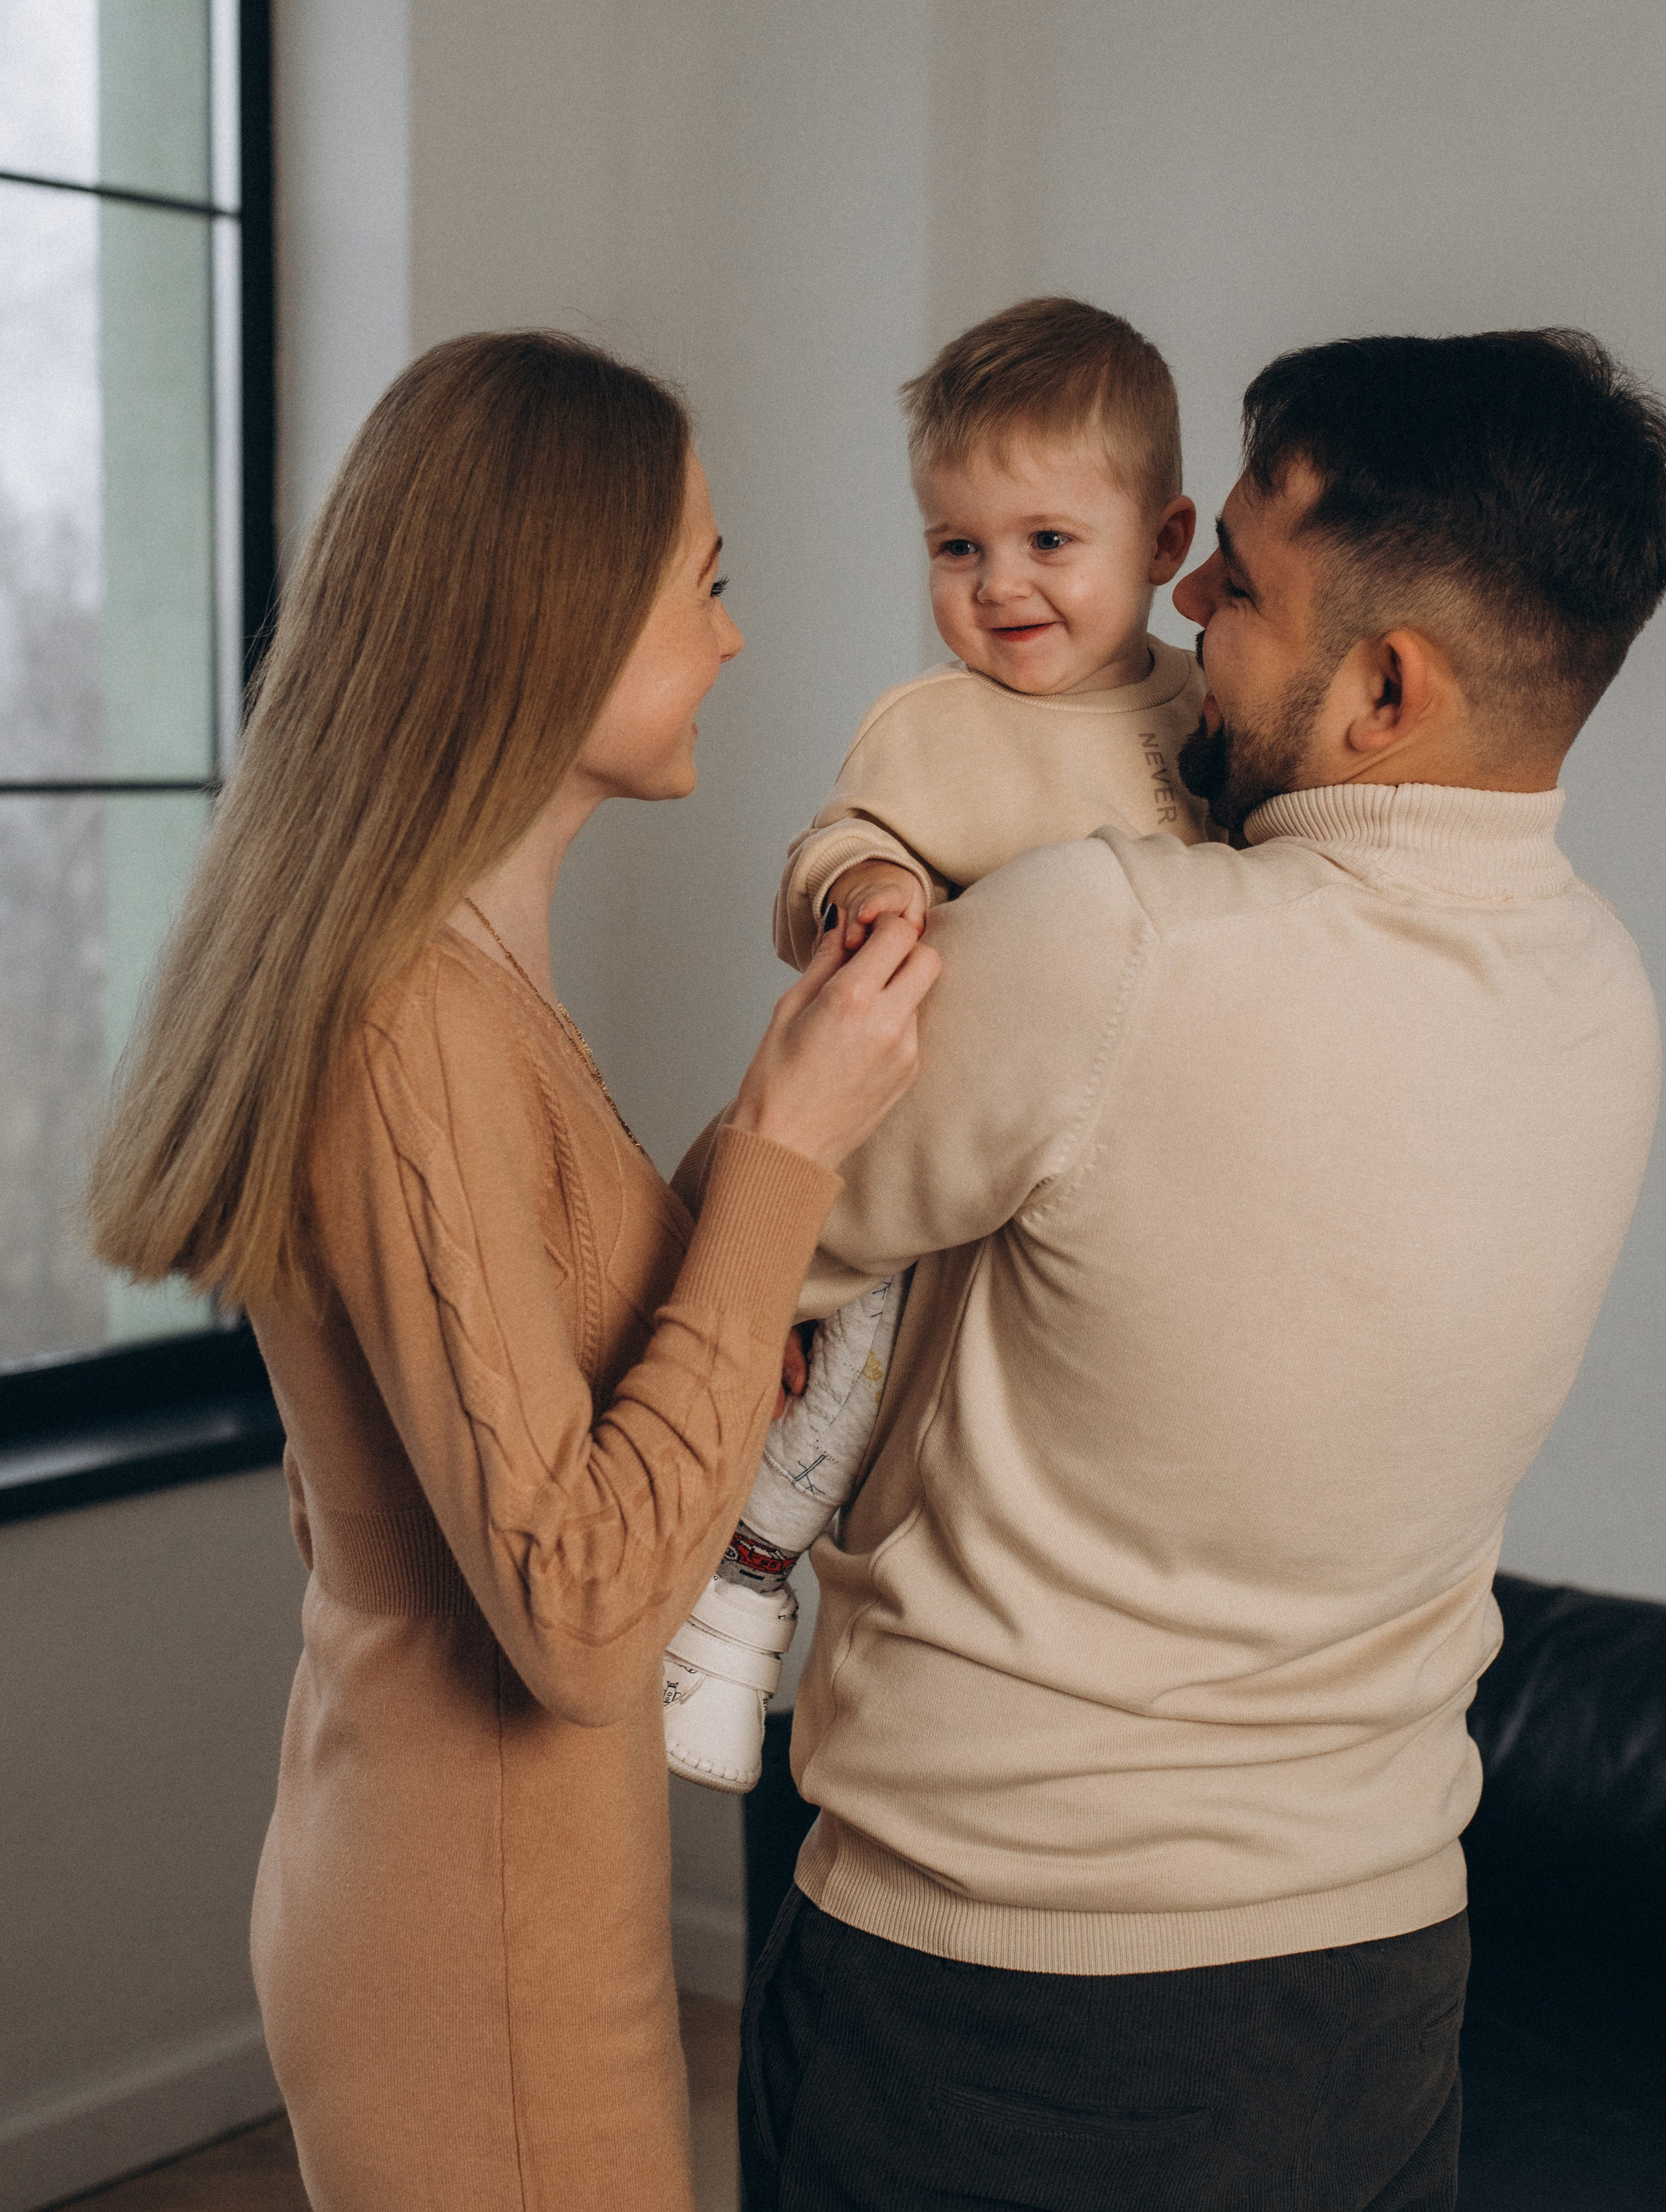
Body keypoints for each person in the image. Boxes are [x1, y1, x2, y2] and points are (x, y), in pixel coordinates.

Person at [730, 329, 1665, 2211]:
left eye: (1235, 580)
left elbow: (745, 1235)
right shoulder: (1610, 998)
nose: (1176, 601)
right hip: (1380, 1989)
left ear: (1385, 689)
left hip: (993, 1994)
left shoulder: (1111, 944)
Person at [87, 332, 938, 2212]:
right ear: (555, 618)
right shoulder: (410, 1026)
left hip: (492, 1890)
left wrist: (785, 1106)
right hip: (472, 1944)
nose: (730, 634)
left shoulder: (459, 986)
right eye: (701, 582)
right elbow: (572, 1613)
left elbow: (543, 1361)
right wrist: (785, 1157)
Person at [664, 298, 1209, 1790]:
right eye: (954, 547)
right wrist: (868, 884)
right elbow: (830, 842)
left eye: (1046, 541)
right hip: (920, 1126)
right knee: (840, 1370)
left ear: (1164, 544)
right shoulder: (929, 724)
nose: (997, 586)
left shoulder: (1210, 720)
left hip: (1111, 1153)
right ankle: (736, 1597)